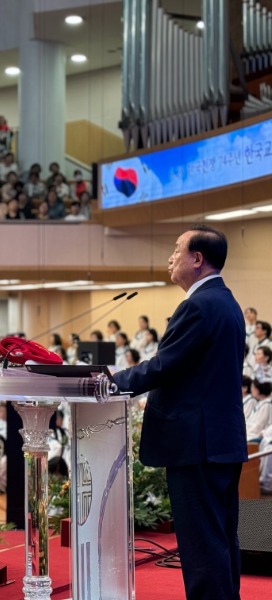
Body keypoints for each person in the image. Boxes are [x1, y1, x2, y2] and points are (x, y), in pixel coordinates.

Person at [112, 225, 246, 600]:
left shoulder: (199, 306)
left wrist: (108, 382)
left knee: (202, 546)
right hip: (219, 440)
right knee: (219, 539)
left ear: (197, 259)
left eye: (177, 250)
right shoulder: (227, 303)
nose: (171, 257)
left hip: (197, 444)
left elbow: (162, 366)